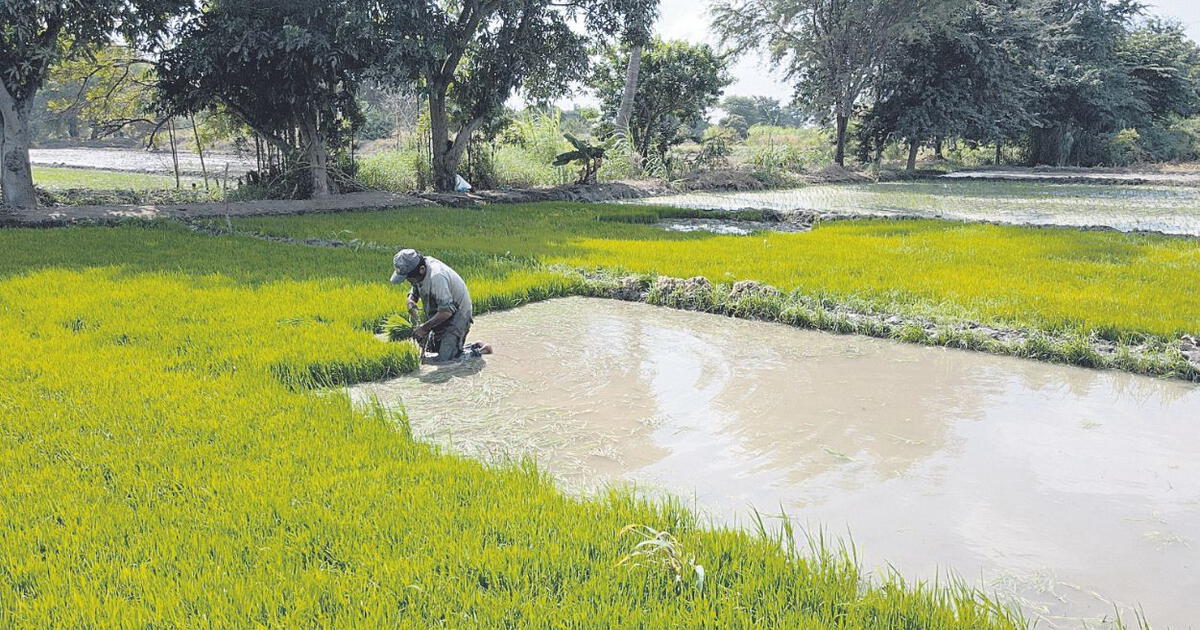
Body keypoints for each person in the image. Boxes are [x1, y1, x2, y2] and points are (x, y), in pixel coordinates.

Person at [390, 249, 490, 362]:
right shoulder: (420, 269)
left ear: (421, 270)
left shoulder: (437, 276)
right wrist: (411, 300)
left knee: (446, 361)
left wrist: (424, 328)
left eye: (409, 278)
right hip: (439, 311)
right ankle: (473, 346)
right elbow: (415, 286)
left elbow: (447, 311)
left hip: (457, 315)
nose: (408, 281)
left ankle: (481, 351)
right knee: (432, 350)